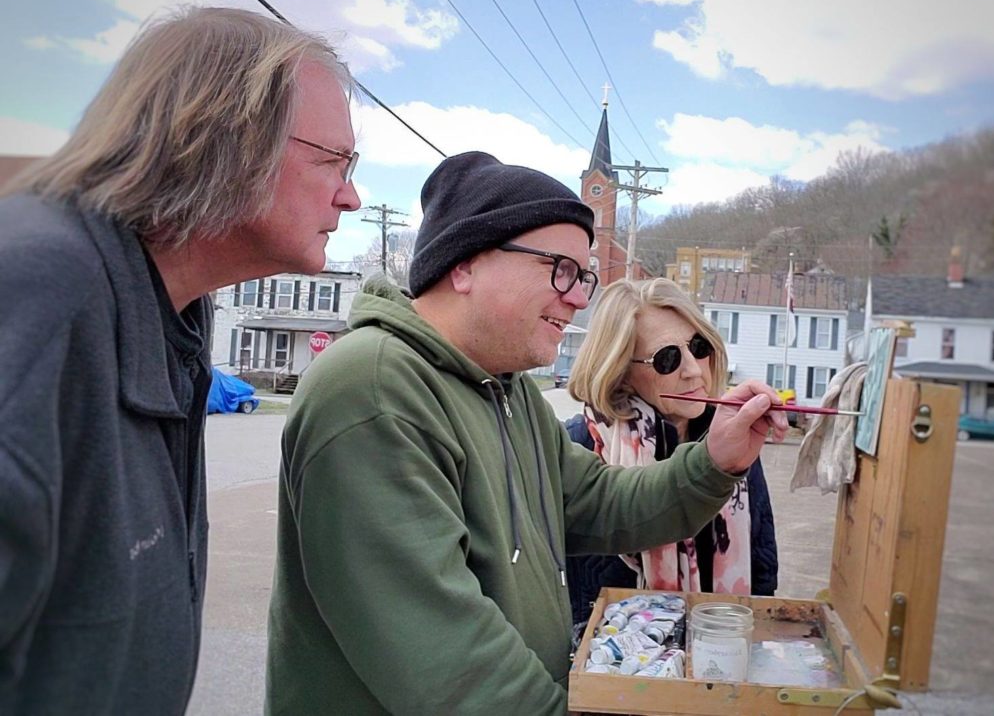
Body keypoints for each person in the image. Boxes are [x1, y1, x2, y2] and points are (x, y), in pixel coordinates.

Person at [265, 151, 787, 714]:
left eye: (584, 276)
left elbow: (601, 502)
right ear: (464, 265)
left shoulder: (506, 389)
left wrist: (714, 460)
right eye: (559, 268)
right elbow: (449, 661)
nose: (581, 296)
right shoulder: (374, 389)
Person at [0, 8, 360, 714]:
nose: (350, 194)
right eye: (332, 162)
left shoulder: (173, 320)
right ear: (223, 136)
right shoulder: (37, 295)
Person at [564, 278, 778, 627]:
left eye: (699, 346)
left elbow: (762, 566)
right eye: (667, 359)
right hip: (610, 663)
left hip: (719, 648)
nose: (693, 370)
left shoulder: (732, 441)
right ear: (620, 371)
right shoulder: (579, 444)